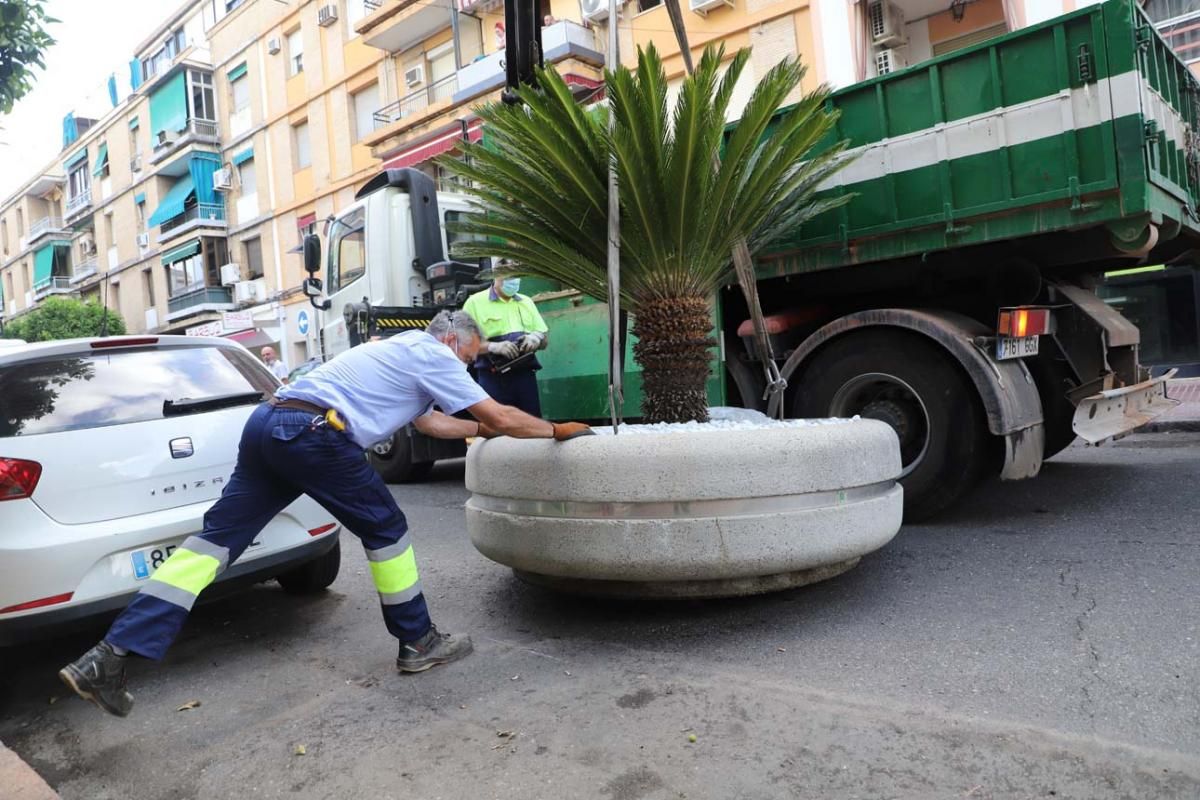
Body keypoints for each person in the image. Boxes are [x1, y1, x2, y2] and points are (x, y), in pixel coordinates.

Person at [58, 310, 592, 718]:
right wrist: (552, 430)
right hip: (315, 432)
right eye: (471, 357)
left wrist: (482, 431)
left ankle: (109, 654)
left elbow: (433, 425)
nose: (470, 367)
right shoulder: (433, 354)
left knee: (213, 544)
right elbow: (495, 412)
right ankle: (418, 640)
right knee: (386, 529)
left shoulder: (394, 350)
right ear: (452, 339)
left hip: (270, 423)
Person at [462, 275, 549, 416]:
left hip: (525, 377)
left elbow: (545, 340)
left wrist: (536, 338)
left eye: (517, 276)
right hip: (493, 379)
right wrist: (492, 347)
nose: (514, 281)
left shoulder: (526, 302)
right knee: (498, 431)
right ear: (496, 275)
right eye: (509, 276)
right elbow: (464, 345)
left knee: (533, 429)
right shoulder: (475, 302)